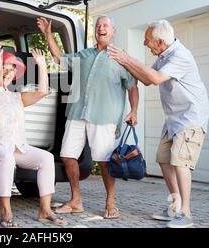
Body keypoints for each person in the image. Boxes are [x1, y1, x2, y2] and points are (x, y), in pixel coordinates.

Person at [107, 20, 209, 228]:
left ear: (160, 42)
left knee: (180, 161)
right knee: (163, 158)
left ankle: (186, 213)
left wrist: (127, 58)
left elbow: (154, 78)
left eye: (147, 40)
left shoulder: (181, 56)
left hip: (191, 117)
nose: (145, 43)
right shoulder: (163, 56)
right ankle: (175, 205)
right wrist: (124, 62)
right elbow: (145, 78)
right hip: (173, 119)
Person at [37, 15, 139, 219]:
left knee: (104, 162)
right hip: (77, 113)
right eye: (98, 25)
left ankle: (110, 202)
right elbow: (59, 58)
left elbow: (133, 87)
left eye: (105, 25)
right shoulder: (84, 55)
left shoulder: (121, 57)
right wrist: (48, 35)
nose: (101, 28)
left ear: (113, 31)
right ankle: (76, 201)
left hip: (104, 117)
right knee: (67, 156)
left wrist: (134, 110)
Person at [0, 44, 68, 228]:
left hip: (18, 146)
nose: (7, 73)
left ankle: (45, 210)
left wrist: (42, 65)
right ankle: (5, 210)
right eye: (4, 69)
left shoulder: (17, 96)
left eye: (11, 70)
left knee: (47, 157)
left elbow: (43, 92)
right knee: (7, 159)